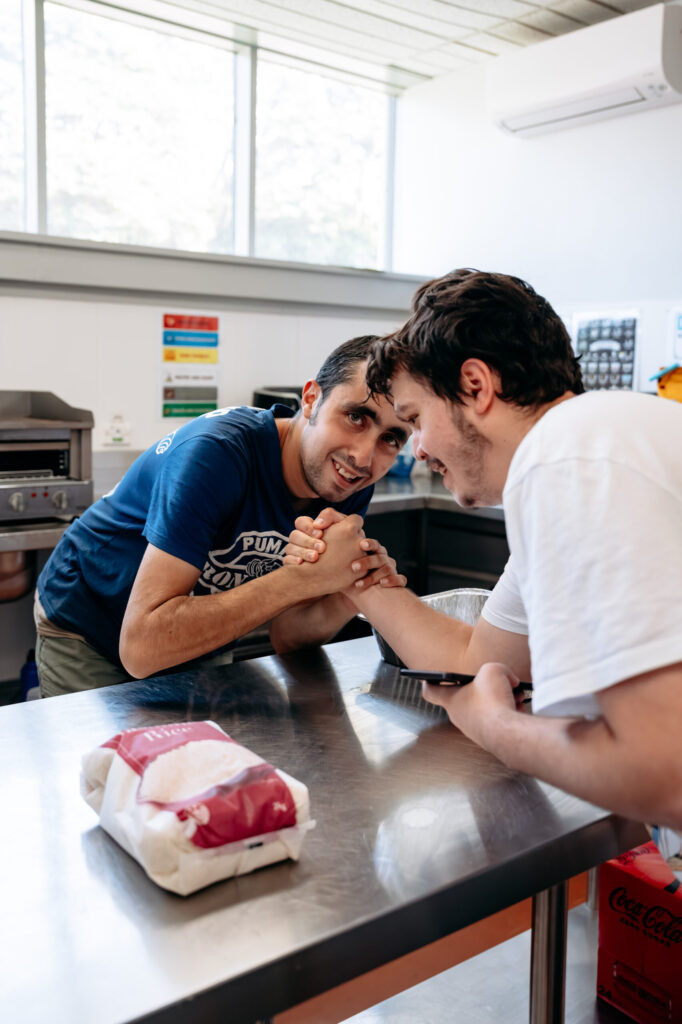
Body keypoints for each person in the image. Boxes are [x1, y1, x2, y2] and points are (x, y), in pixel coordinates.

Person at [285, 269, 682, 846]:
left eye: (416, 419)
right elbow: (482, 661)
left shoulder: (566, 463)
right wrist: (356, 576)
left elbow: (664, 773)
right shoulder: (595, 443)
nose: (417, 450)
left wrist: (495, 727)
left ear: (475, 386)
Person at [34, 335, 411, 697]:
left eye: (391, 438)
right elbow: (142, 646)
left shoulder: (347, 482)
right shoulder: (217, 454)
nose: (363, 457)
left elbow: (287, 636)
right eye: (356, 417)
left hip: (192, 629)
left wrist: (348, 590)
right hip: (91, 621)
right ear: (311, 399)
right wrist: (301, 580)